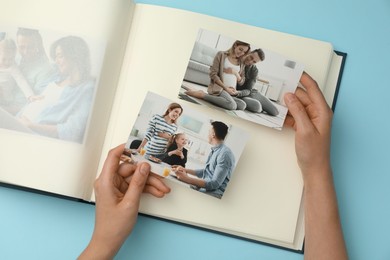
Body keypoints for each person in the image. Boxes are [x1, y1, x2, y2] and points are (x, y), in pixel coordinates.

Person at [80, 73, 348, 259]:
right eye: (175, 113)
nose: (204, 136)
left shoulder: (221, 152)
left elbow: (210, 183)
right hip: (154, 156)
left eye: (207, 132)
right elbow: (201, 171)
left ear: (213, 134)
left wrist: (183, 171)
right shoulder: (213, 151)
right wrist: (183, 170)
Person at [0, 36, 96, 143]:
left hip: (30, 131)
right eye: (55, 57)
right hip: (17, 121)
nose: (56, 61)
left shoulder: (87, 89)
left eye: (60, 56)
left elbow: (72, 131)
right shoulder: (56, 76)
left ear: (74, 56)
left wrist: (31, 125)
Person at [185, 40, 260, 111]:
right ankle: (202, 95)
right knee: (232, 105)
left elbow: (241, 82)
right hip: (220, 88)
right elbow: (213, 74)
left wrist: (236, 74)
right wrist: (225, 88)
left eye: (244, 52)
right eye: (240, 49)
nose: (241, 53)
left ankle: (219, 98)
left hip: (231, 91)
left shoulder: (241, 62)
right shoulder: (221, 55)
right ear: (235, 45)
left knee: (242, 105)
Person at [171, 121, 235, 199]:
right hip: (205, 189)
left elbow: (215, 183)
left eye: (209, 132)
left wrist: (187, 179)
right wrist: (185, 170)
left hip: (214, 194)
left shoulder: (225, 154)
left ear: (213, 134)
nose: (207, 134)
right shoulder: (215, 150)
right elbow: (206, 171)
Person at [16, 27, 58, 95]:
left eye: (30, 47)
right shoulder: (12, 59)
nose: (25, 52)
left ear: (38, 45)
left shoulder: (45, 70)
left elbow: (37, 100)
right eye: (21, 47)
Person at [238, 48, 280, 116]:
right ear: (249, 52)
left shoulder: (254, 70)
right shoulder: (237, 62)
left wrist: (239, 93)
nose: (251, 61)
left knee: (275, 112)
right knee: (257, 107)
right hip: (241, 96)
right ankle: (261, 108)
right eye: (251, 57)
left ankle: (262, 106)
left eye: (254, 61)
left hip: (250, 93)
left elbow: (249, 90)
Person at [0, 38, 34, 114]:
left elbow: (21, 81)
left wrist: (30, 95)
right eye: (4, 59)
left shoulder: (13, 67)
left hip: (5, 97)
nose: (7, 62)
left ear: (14, 55)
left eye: (11, 59)